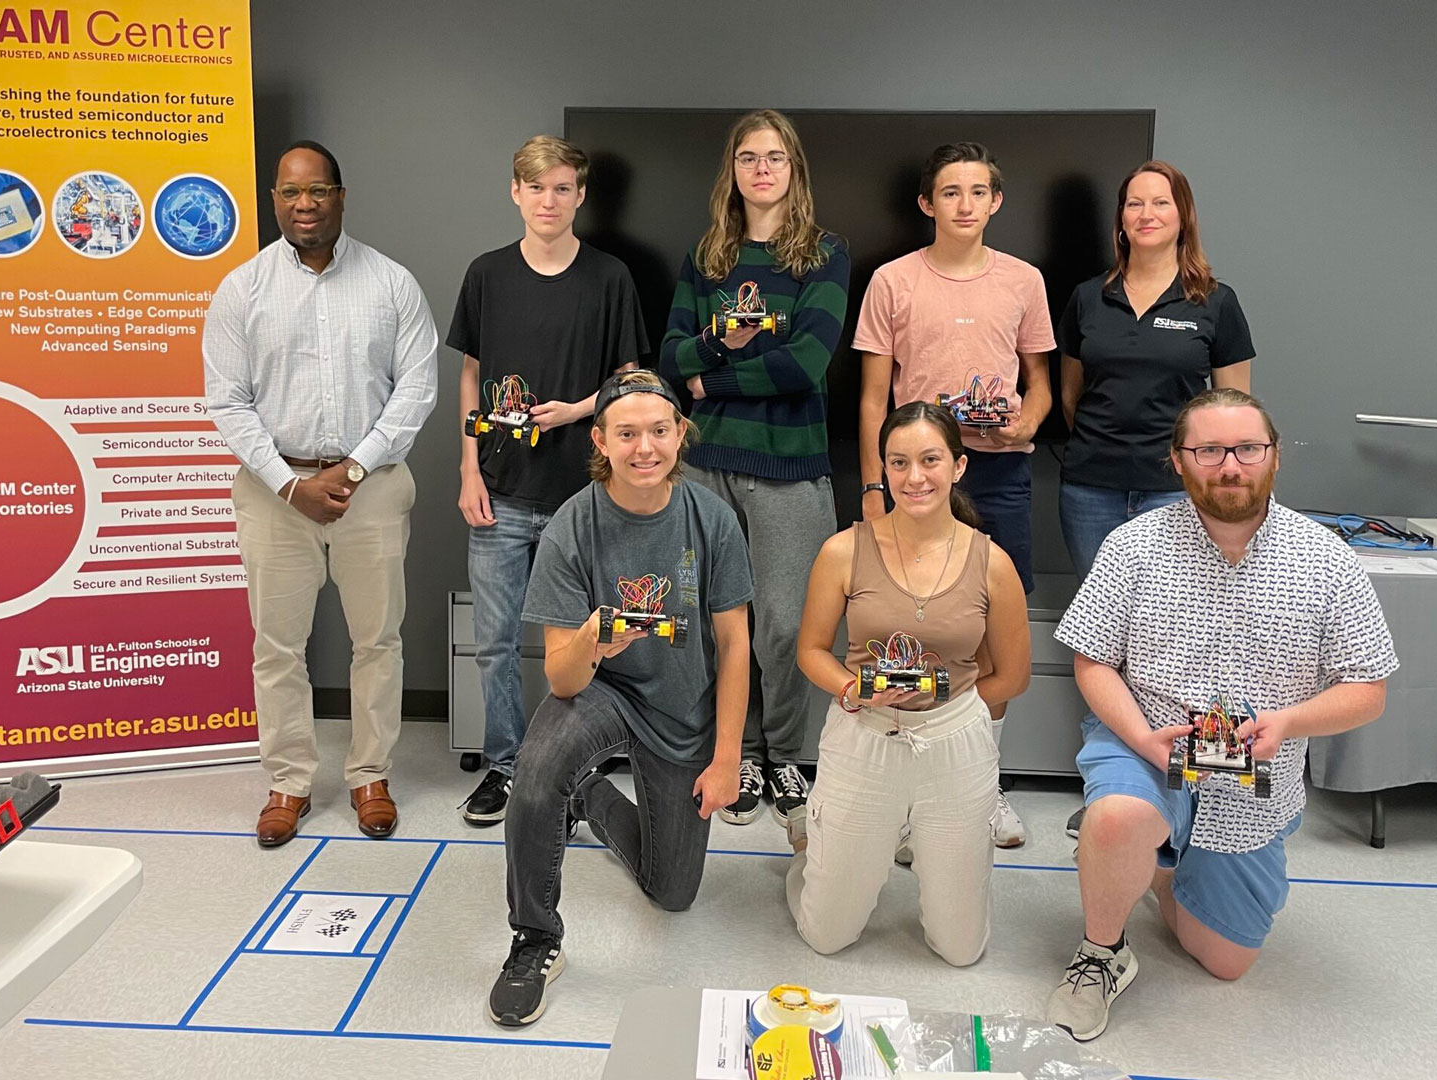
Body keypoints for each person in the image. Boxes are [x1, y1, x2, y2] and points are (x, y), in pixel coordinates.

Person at [1043, 388, 1396, 1041]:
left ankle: (1149, 864)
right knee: (1122, 817)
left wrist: (1290, 723)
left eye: (1246, 448)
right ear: (1178, 461)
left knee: (1228, 962)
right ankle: (1101, 948)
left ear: (1274, 457)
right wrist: (1145, 741)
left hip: (1257, 771)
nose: (1229, 465)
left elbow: (1368, 686)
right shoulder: (1133, 546)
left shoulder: (1327, 561)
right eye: (1208, 450)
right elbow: (1092, 661)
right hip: (1147, 736)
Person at [491, 370, 753, 1028]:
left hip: (680, 706)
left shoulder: (712, 519)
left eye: (659, 431)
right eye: (627, 433)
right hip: (603, 690)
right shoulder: (572, 527)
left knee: (672, 894)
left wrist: (726, 759)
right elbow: (562, 681)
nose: (645, 447)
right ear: (601, 441)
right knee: (534, 774)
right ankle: (535, 938)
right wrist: (590, 639)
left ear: (680, 435)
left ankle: (591, 801)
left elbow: (736, 647)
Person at [203, 140, 439, 846]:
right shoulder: (241, 290)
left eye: (319, 191)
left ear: (341, 195)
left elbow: (417, 389)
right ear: (274, 200)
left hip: (373, 488)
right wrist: (289, 483)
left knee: (379, 641)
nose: (304, 204)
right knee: (277, 646)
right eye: (290, 192)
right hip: (276, 494)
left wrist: (354, 470)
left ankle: (370, 776)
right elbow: (229, 401)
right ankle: (290, 782)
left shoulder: (392, 283)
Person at [853, 141, 1056, 847]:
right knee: (906, 626)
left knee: (993, 636)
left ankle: (982, 792)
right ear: (927, 203)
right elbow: (874, 398)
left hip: (999, 476)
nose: (965, 205)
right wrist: (876, 486)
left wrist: (1024, 422)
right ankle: (907, 798)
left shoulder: (1024, 281)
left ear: (996, 202)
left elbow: (1043, 385)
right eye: (950, 192)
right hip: (914, 482)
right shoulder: (892, 281)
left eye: (978, 192)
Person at [451, 135, 651, 825]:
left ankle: (574, 772)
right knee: (498, 643)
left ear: (581, 196)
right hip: (500, 492)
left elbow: (632, 383)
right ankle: (506, 769)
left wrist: (579, 409)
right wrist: (468, 466)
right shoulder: (486, 275)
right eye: (536, 188)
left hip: (584, 497)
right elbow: (472, 374)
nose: (548, 200)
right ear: (515, 192)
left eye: (562, 188)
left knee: (586, 643)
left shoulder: (609, 278)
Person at [659, 109, 851, 826]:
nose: (762, 169)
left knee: (783, 625)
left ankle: (785, 758)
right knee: (716, 621)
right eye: (748, 157)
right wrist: (709, 355)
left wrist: (714, 379)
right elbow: (671, 357)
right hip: (704, 466)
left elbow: (805, 363)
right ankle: (732, 752)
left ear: (793, 168)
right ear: (732, 171)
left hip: (789, 468)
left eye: (775, 157)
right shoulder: (707, 257)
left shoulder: (824, 255)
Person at [789, 402, 1030, 966]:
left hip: (955, 742)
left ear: (959, 467)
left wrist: (949, 707)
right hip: (862, 733)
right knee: (826, 936)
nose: (914, 477)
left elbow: (1012, 676)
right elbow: (810, 651)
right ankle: (812, 844)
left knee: (960, 950)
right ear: (883, 469)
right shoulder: (843, 550)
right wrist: (853, 691)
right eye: (898, 463)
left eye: (930, 460)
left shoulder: (993, 563)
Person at [1058, 160, 1256, 840]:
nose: (1146, 213)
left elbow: (1235, 411)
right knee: (1103, 644)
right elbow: (1070, 395)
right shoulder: (1089, 297)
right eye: (1134, 203)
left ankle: (1193, 784)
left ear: (1182, 216)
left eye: (1160, 203)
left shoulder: (1215, 302)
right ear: (1121, 220)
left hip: (1176, 494)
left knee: (1178, 641)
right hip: (1091, 487)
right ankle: (1112, 785)